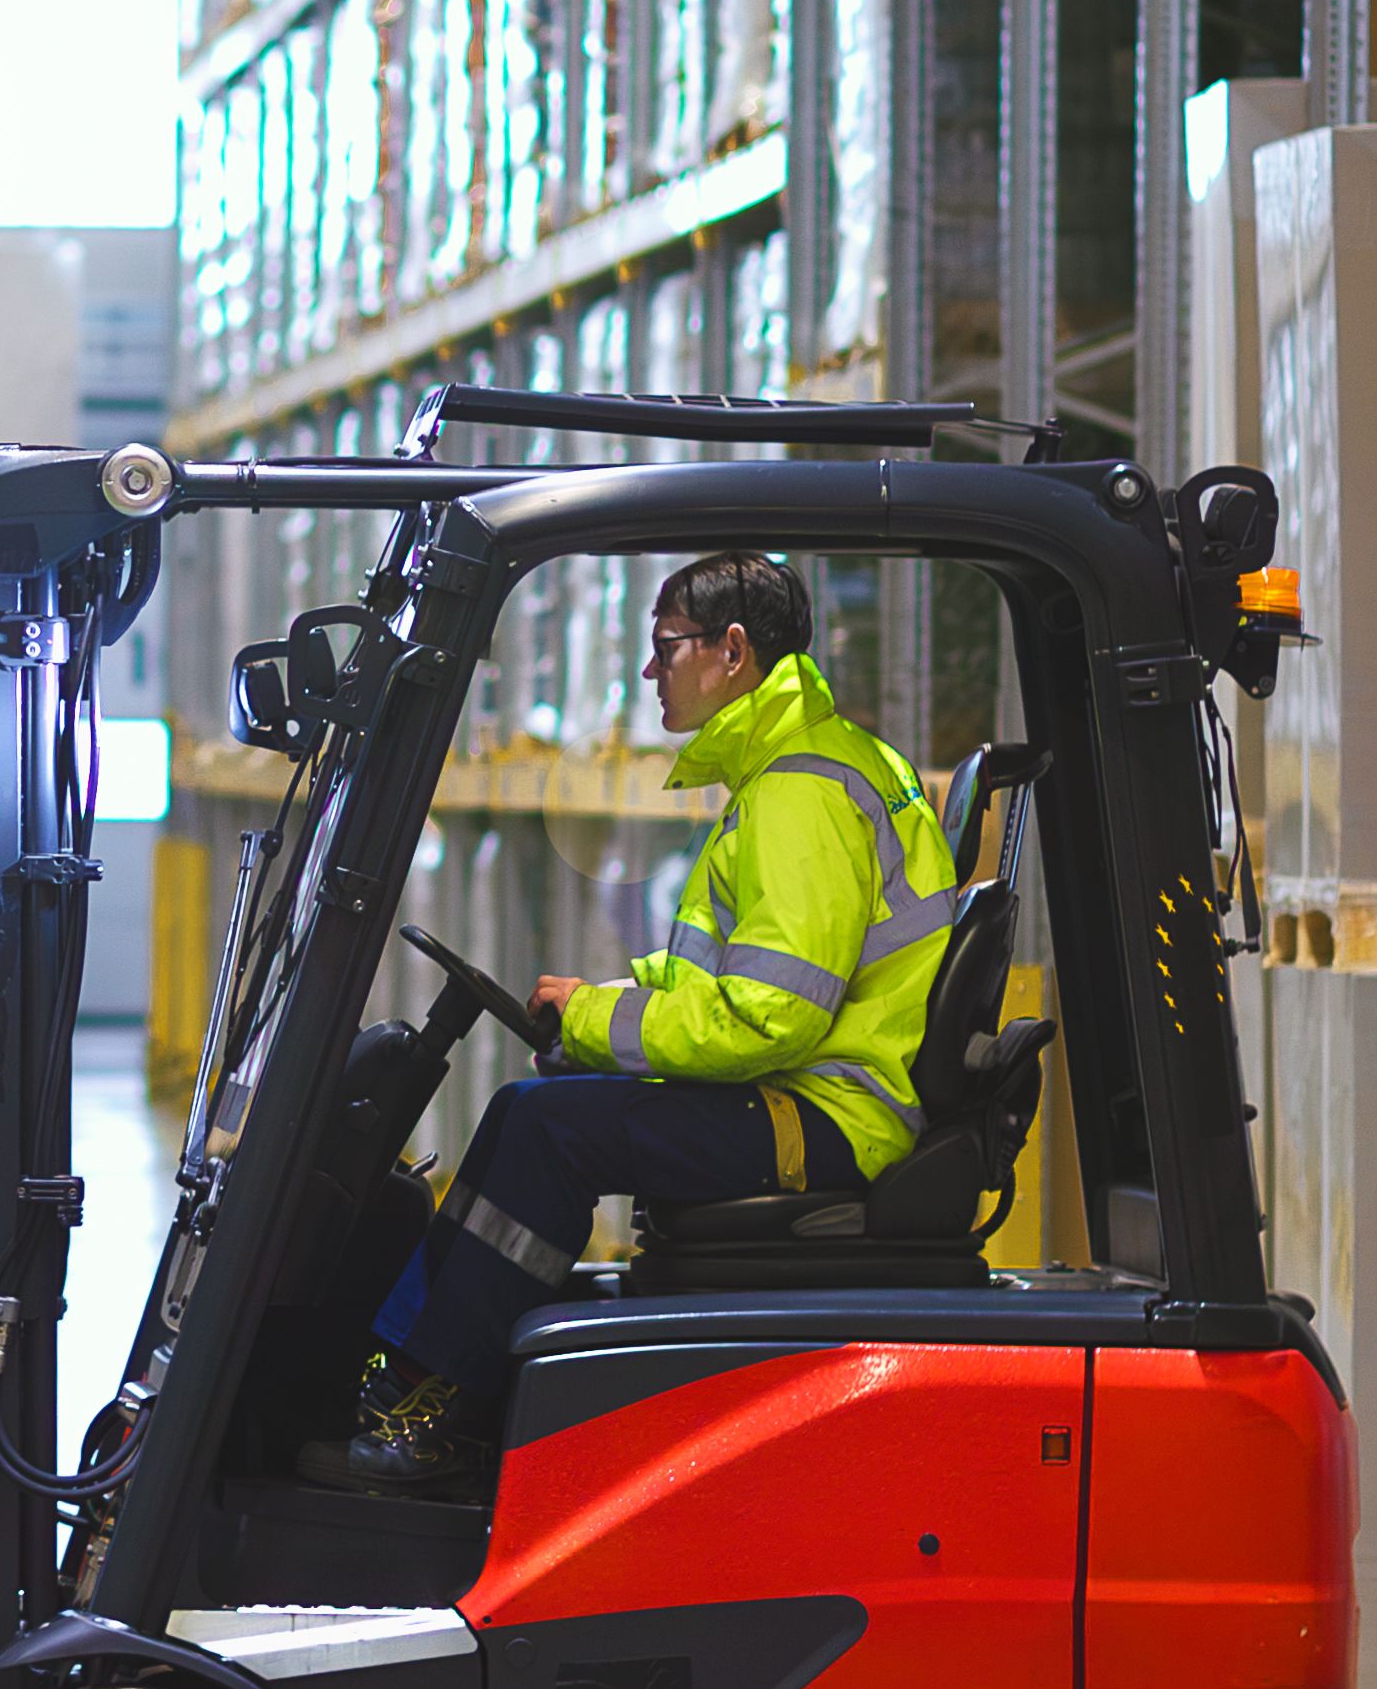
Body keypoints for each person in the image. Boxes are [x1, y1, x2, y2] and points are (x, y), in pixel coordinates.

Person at [303, 550, 963, 1495]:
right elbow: (728, 974)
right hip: (813, 1090)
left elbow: (767, 1017)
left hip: (824, 1113)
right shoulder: (803, 769)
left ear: (732, 650)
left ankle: (438, 1410)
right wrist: (595, 1001)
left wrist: (602, 1016)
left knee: (546, 1130)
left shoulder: (798, 794)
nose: (651, 674)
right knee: (530, 1107)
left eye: (666, 649)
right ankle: (407, 1372)